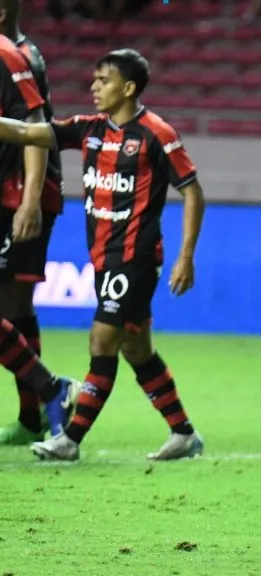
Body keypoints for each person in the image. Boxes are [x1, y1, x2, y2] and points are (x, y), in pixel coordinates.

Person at [0, 49, 207, 463]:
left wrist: (187, 256)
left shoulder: (157, 134)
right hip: (104, 257)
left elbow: (193, 192)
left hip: (136, 258)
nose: (93, 88)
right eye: (94, 80)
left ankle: (70, 439)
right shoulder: (89, 129)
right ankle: (183, 433)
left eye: (103, 81)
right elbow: (26, 134)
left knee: (102, 341)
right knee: (136, 349)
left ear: (128, 88)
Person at [0, 0, 67, 445]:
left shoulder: (11, 55)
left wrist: (28, 202)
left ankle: (49, 391)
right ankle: (35, 415)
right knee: (17, 311)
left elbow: (35, 126)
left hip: (17, 195)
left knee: (12, 308)